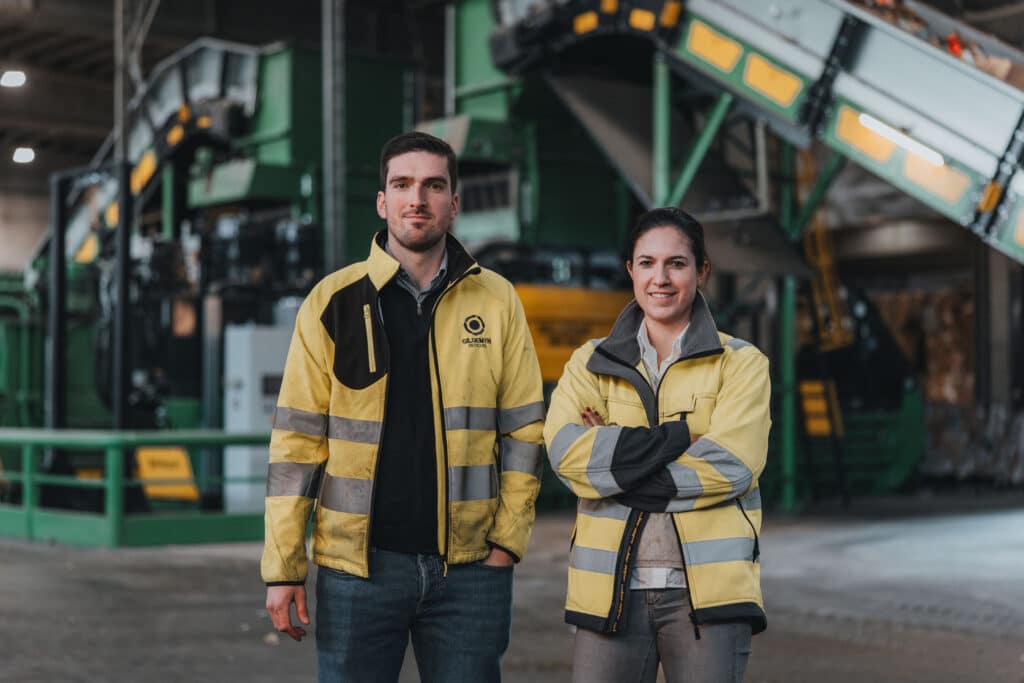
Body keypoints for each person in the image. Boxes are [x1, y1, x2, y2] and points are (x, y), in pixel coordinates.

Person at [262, 131, 546, 682]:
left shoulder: (497, 301)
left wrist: (506, 544)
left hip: (469, 572)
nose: (418, 198)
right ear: (382, 201)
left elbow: (525, 430)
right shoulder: (332, 303)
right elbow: (296, 445)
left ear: (454, 204)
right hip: (357, 573)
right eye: (403, 184)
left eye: (434, 185)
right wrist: (283, 565)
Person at [543, 207, 771, 682]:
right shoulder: (591, 362)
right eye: (646, 263)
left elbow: (732, 465)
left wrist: (615, 469)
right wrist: (685, 436)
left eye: (677, 263)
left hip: (708, 600)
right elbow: (567, 454)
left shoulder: (741, 365)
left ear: (701, 269)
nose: (660, 278)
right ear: (630, 270)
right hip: (610, 593)